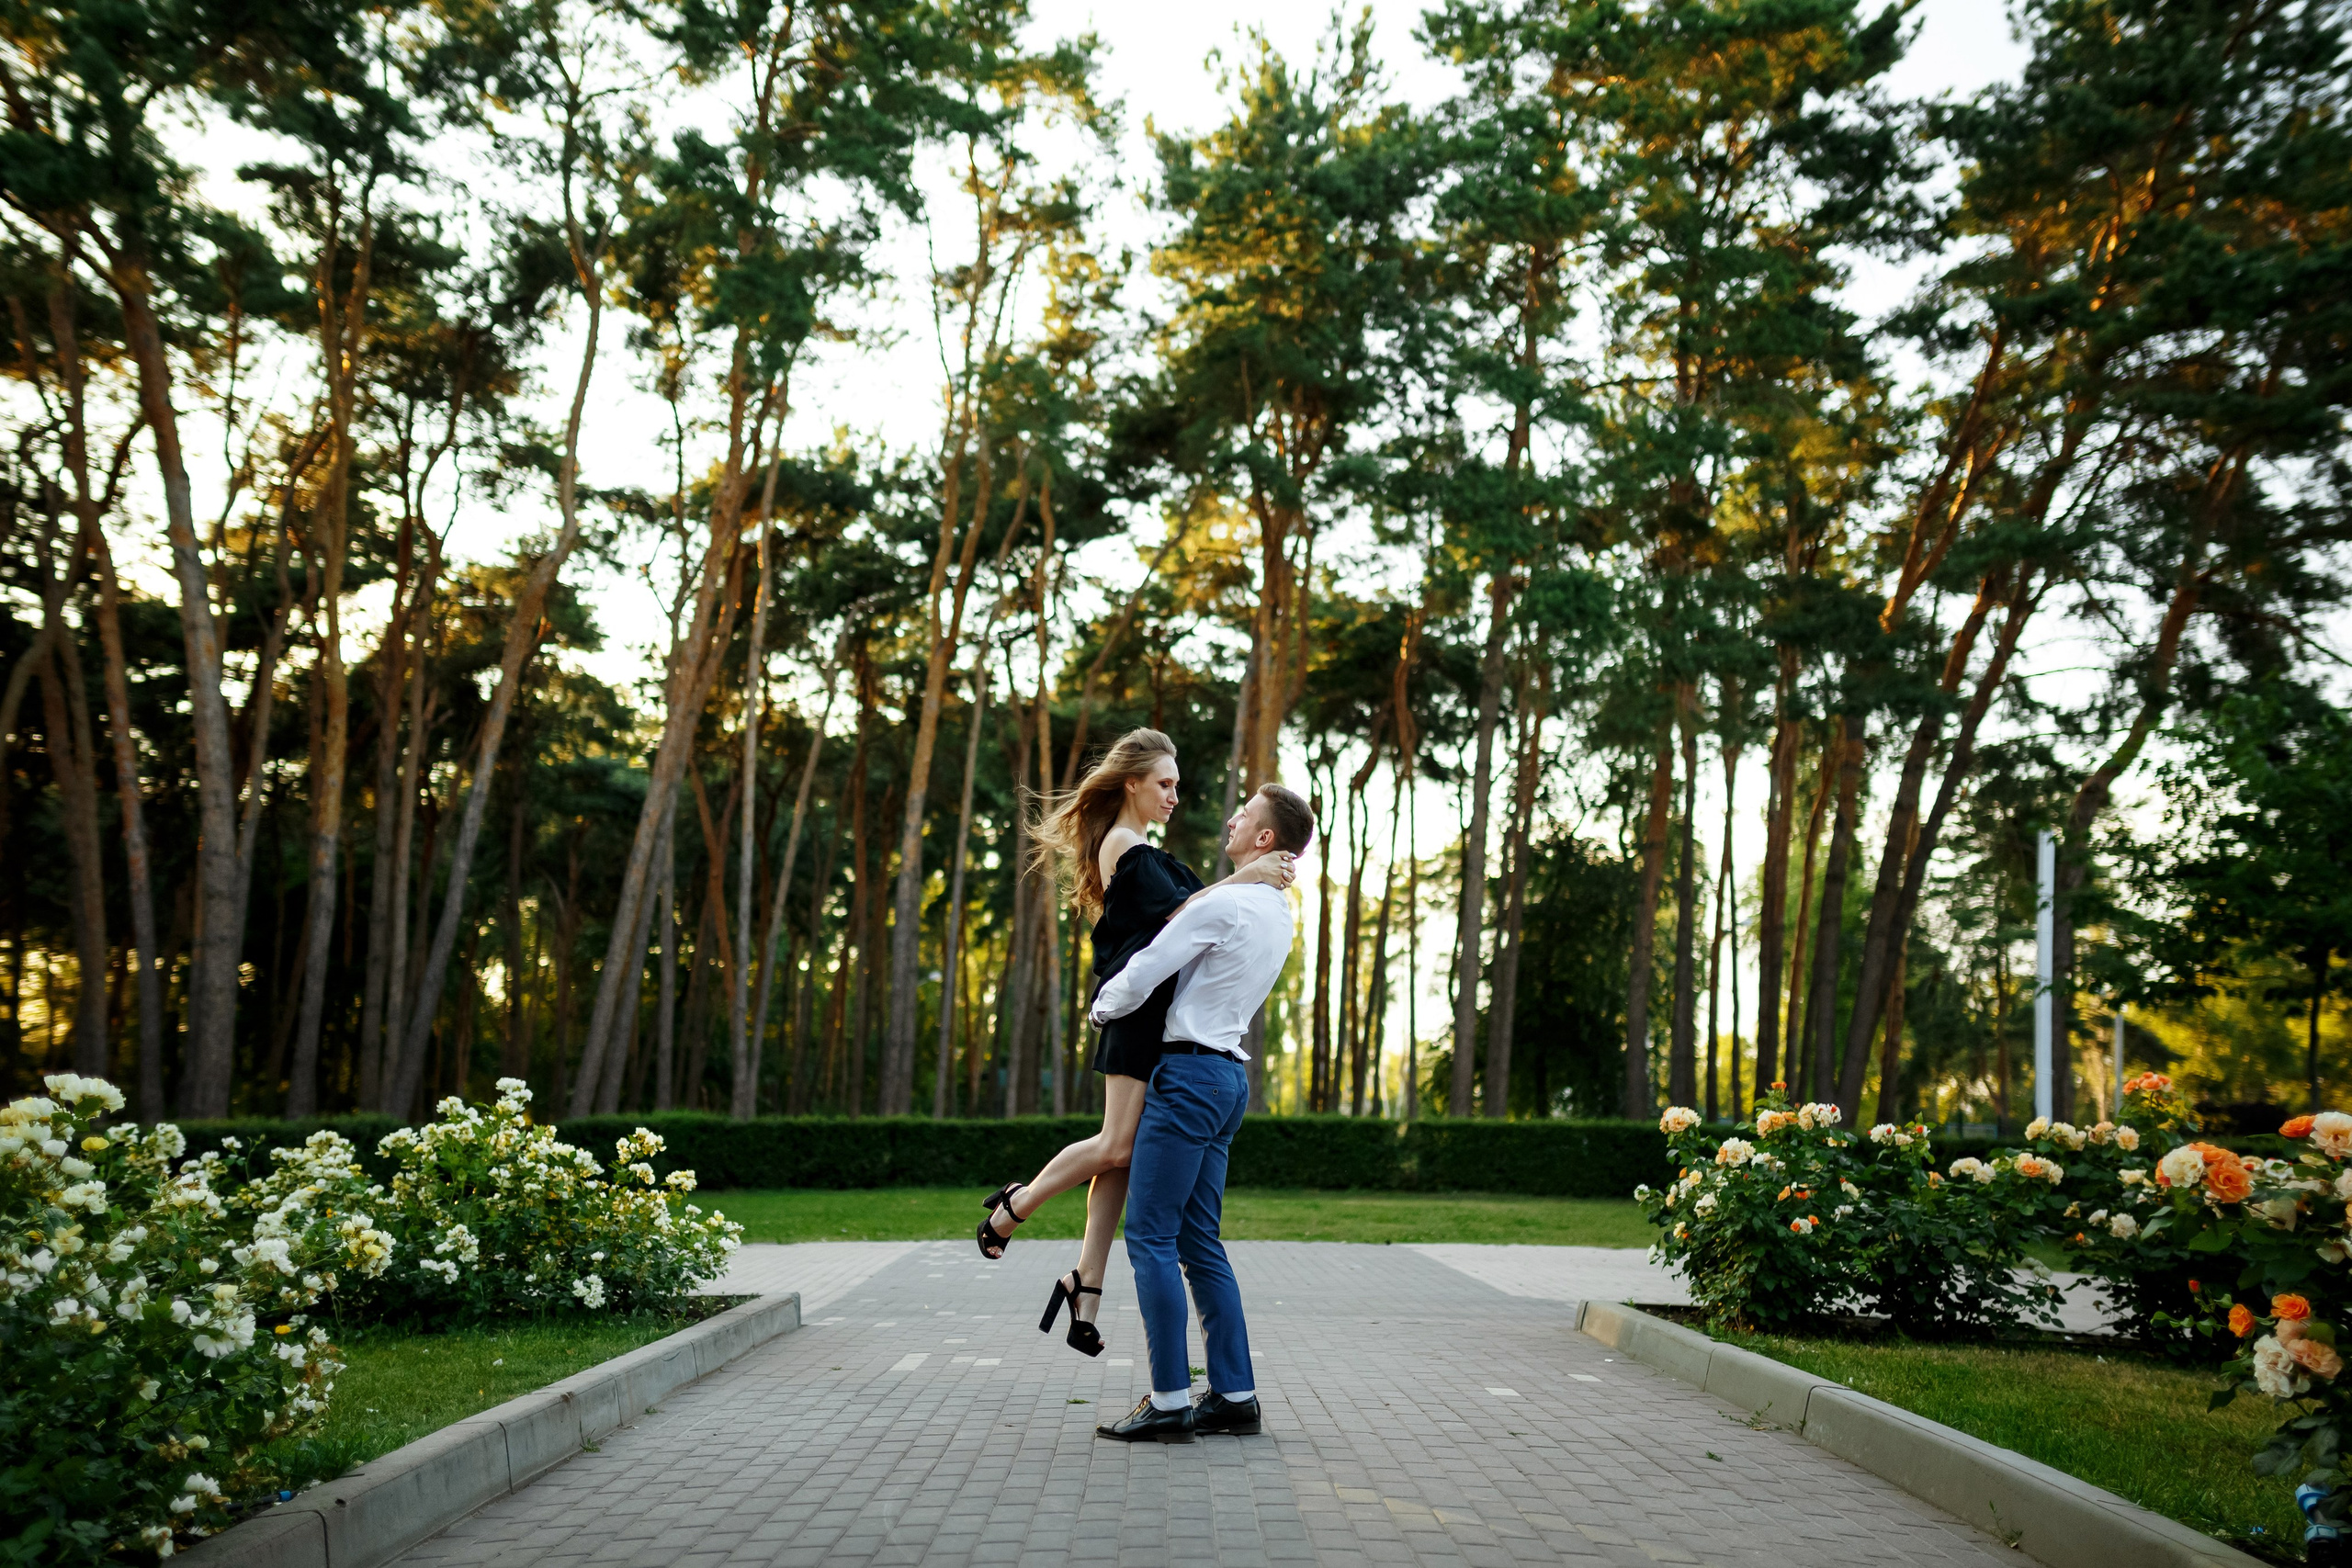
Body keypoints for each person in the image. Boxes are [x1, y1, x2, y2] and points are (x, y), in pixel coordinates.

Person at [973, 729, 1295, 1361]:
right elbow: (1181, 922)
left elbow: (1192, 921)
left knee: (1120, 1158)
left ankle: (1086, 1285)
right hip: (1136, 1015)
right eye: (1164, 783)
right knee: (1116, 1144)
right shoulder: (1124, 845)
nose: (1176, 794)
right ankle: (1017, 1202)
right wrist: (1252, 871)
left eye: (1177, 784)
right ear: (1132, 782)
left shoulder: (1145, 847)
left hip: (1158, 1017)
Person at [1089, 782, 1315, 1443]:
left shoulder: (1227, 907)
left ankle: (1166, 1400)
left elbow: (1151, 965)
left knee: (1150, 1236)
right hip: (1227, 1080)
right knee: (1198, 1241)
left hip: (1186, 1075)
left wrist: (1101, 1007)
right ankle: (1235, 1394)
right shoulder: (1276, 911)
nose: (1232, 818)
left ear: (1265, 838)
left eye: (1245, 814)